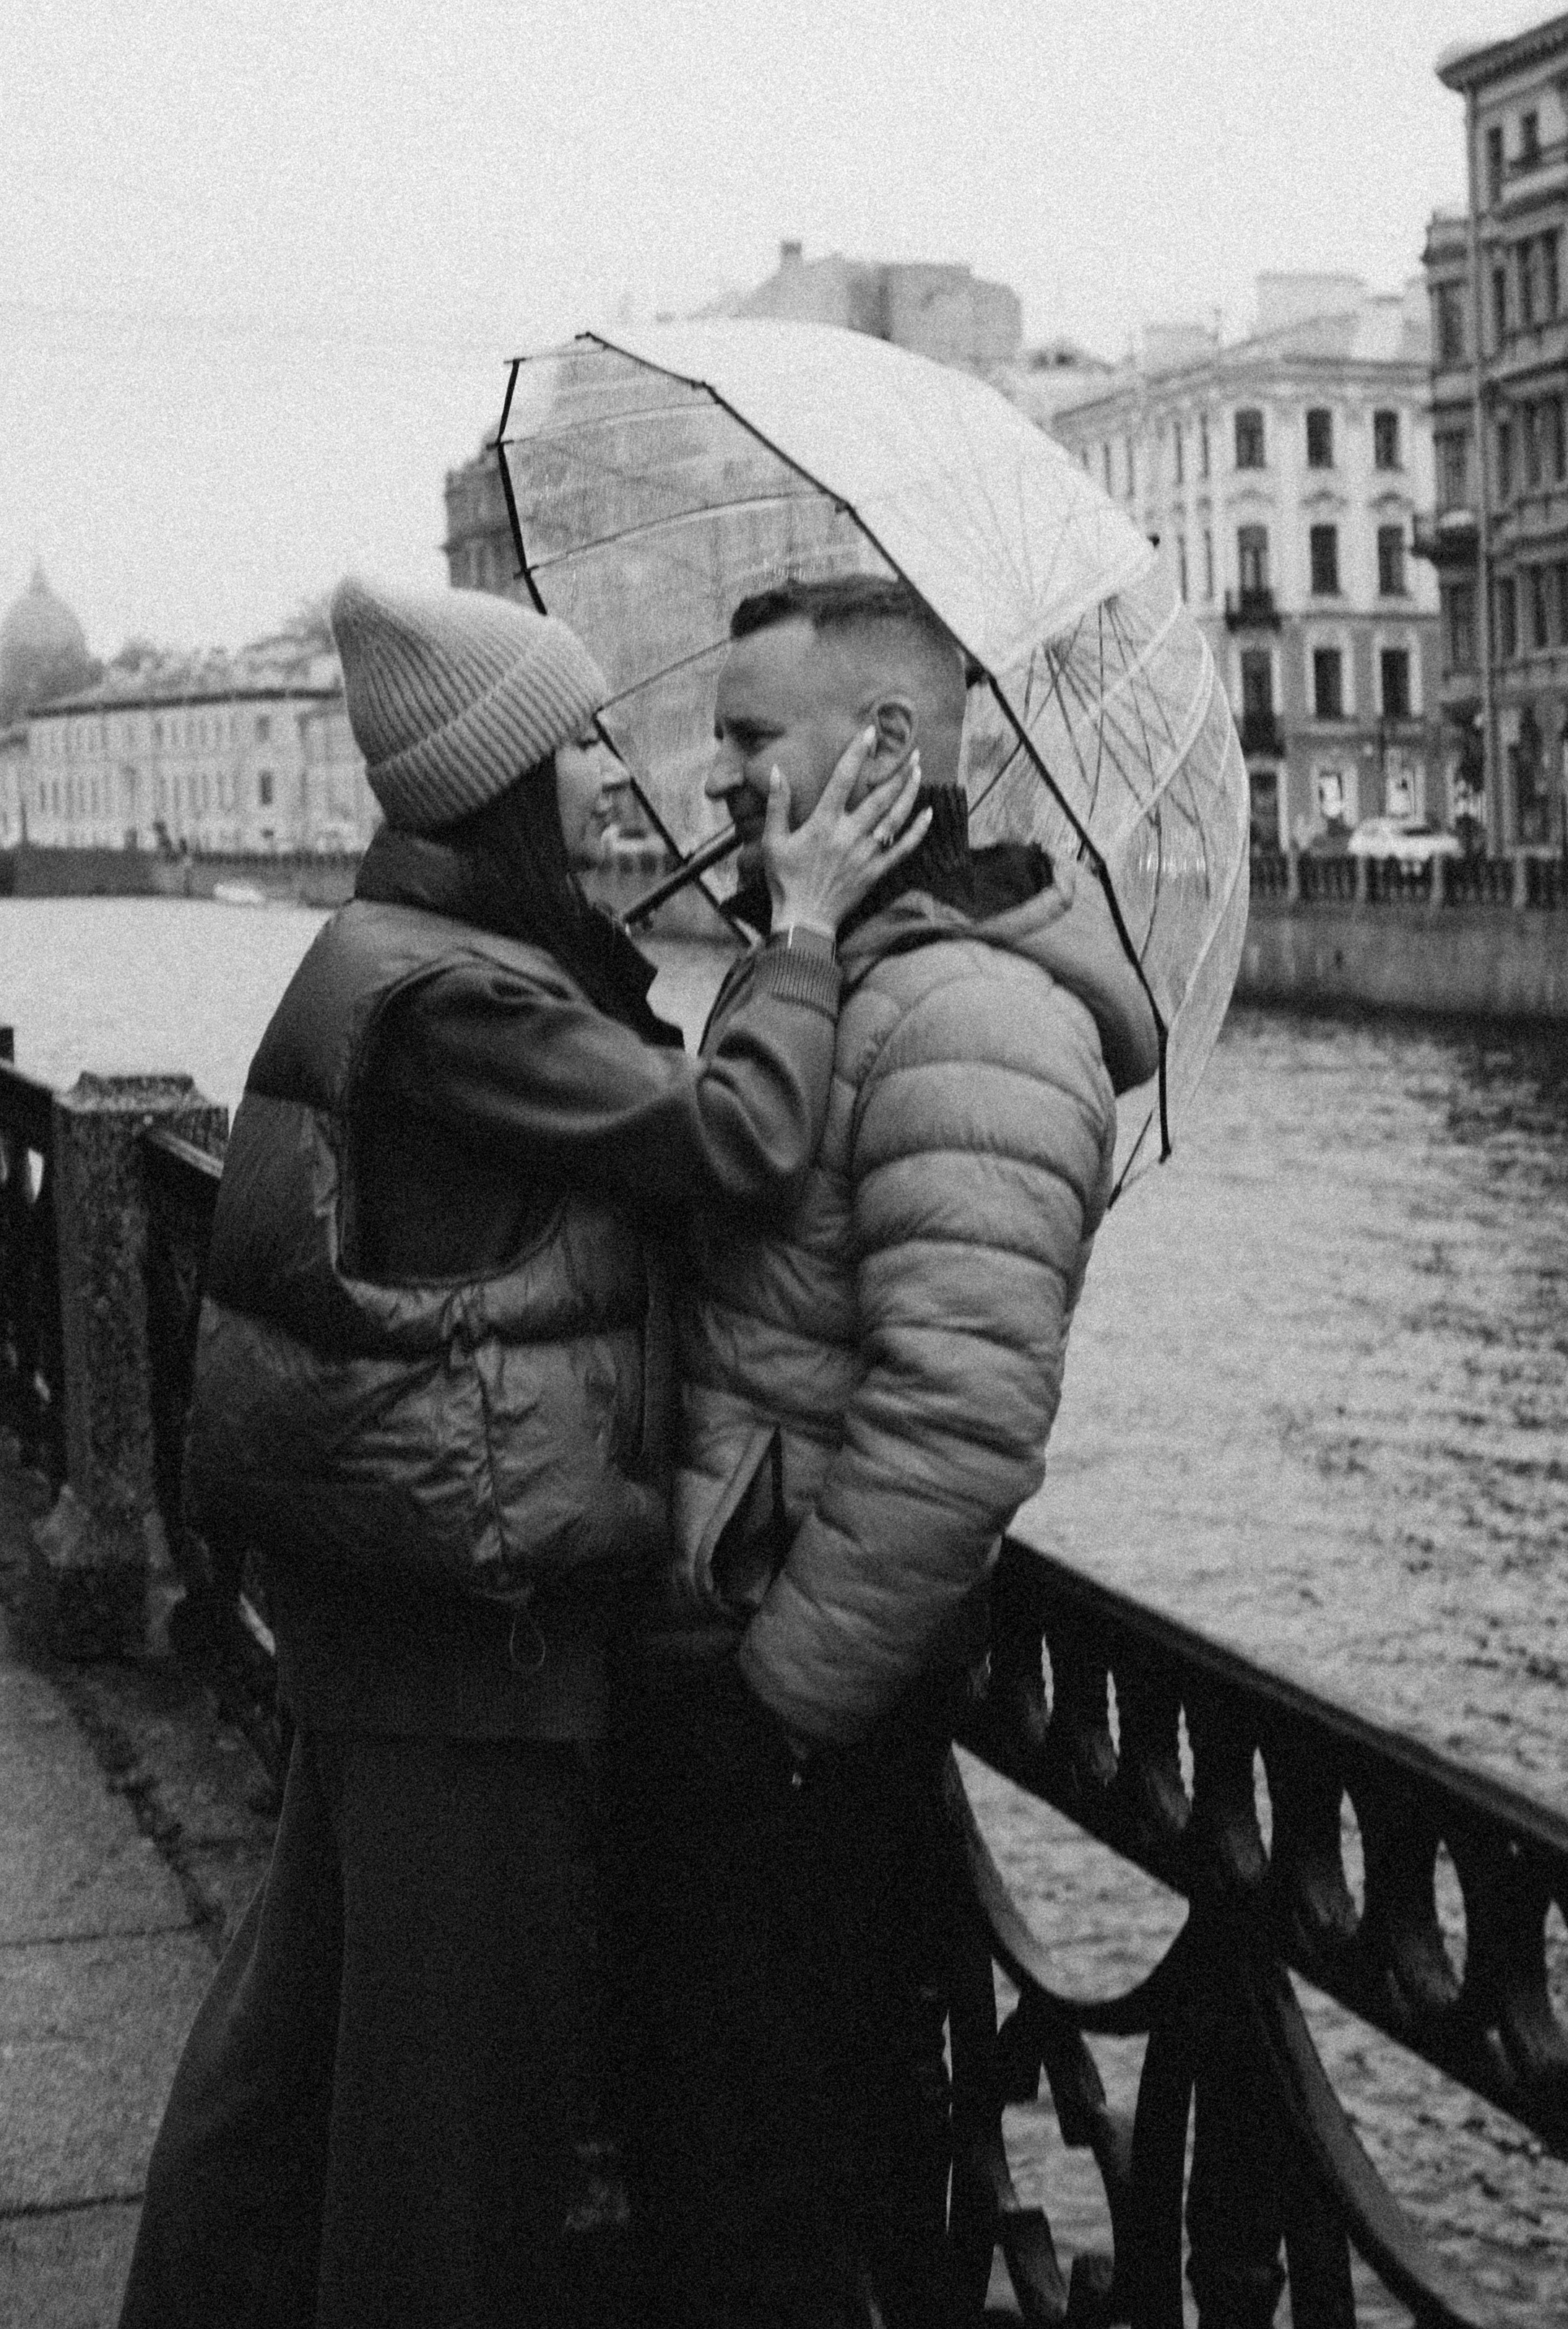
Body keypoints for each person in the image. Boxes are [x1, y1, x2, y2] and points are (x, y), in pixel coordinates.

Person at [117, 575, 928, 2329]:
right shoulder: (456, 1000)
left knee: (285, 2091)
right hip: (470, 1646)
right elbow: (739, 1138)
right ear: (495, 784)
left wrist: (617, 955)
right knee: (450, 2158)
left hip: (393, 1619)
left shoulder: (420, 958)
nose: (614, 776)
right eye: (575, 746)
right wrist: (799, 933)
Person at [614, 574, 1162, 2329]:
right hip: (731, 1665)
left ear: (883, 747)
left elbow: (958, 1419)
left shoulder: (975, 1019)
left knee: (770, 2201)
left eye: (746, 735)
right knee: (725, 2173)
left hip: (792, 1724)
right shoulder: (842, 970)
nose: (714, 776)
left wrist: (777, 1709)